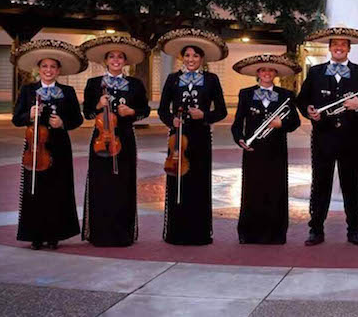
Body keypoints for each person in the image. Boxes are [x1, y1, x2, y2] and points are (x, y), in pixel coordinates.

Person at [296, 27, 358, 246]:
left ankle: (354, 229)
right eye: (335, 44)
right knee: (320, 184)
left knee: (351, 184)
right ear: (330, 48)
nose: (339, 48)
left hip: (351, 139)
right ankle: (316, 229)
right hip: (323, 138)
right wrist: (309, 111)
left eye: (343, 44)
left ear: (349, 48)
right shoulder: (315, 72)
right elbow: (302, 100)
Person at [10, 39, 87, 250]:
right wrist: (29, 114)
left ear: (58, 70)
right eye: (44, 66)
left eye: (53, 67)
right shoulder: (28, 91)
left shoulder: (68, 92)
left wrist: (63, 123)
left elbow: (77, 120)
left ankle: (55, 234)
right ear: (39, 69)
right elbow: (16, 119)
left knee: (57, 190)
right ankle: (35, 234)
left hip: (60, 146)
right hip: (35, 148)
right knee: (34, 190)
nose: (48, 70)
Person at [157, 28, 228, 245]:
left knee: (199, 181)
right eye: (187, 55)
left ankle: (199, 233)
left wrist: (204, 115)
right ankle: (176, 233)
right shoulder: (172, 79)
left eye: (195, 56)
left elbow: (222, 111)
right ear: (182, 57)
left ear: (202, 58)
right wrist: (172, 120)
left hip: (201, 137)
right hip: (177, 138)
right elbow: (162, 110)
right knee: (177, 180)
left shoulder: (211, 79)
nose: (191, 59)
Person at [79, 35, 151, 247]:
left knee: (123, 183)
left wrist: (132, 111)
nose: (116, 60)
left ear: (125, 62)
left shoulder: (135, 84)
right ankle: (100, 232)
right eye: (112, 57)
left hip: (125, 138)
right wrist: (98, 105)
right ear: (106, 61)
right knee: (101, 183)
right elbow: (87, 114)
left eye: (120, 57)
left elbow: (144, 110)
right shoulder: (94, 84)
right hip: (101, 139)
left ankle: (122, 233)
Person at [231, 54, 301, 244]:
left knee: (275, 190)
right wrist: (240, 140)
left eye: (270, 70)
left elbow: (294, 122)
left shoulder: (286, 95)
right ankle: (250, 233)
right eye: (263, 70)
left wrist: (281, 124)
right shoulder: (245, 94)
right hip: (253, 152)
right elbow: (237, 124)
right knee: (252, 191)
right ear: (258, 73)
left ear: (275, 73)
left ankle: (275, 234)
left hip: (276, 152)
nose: (267, 73)